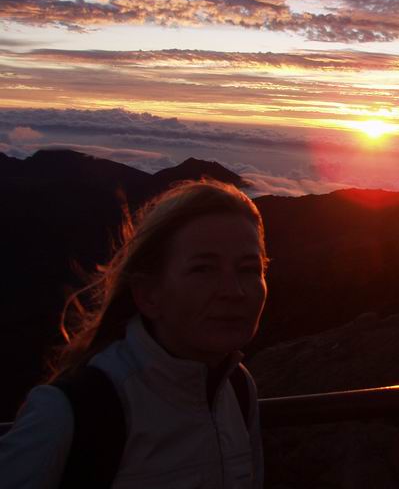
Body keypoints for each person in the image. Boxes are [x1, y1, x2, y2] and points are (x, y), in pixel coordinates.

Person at [0, 179, 268, 488]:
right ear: (148, 295)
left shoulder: (237, 388)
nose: (234, 292)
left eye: (249, 269)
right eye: (203, 269)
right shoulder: (73, 411)